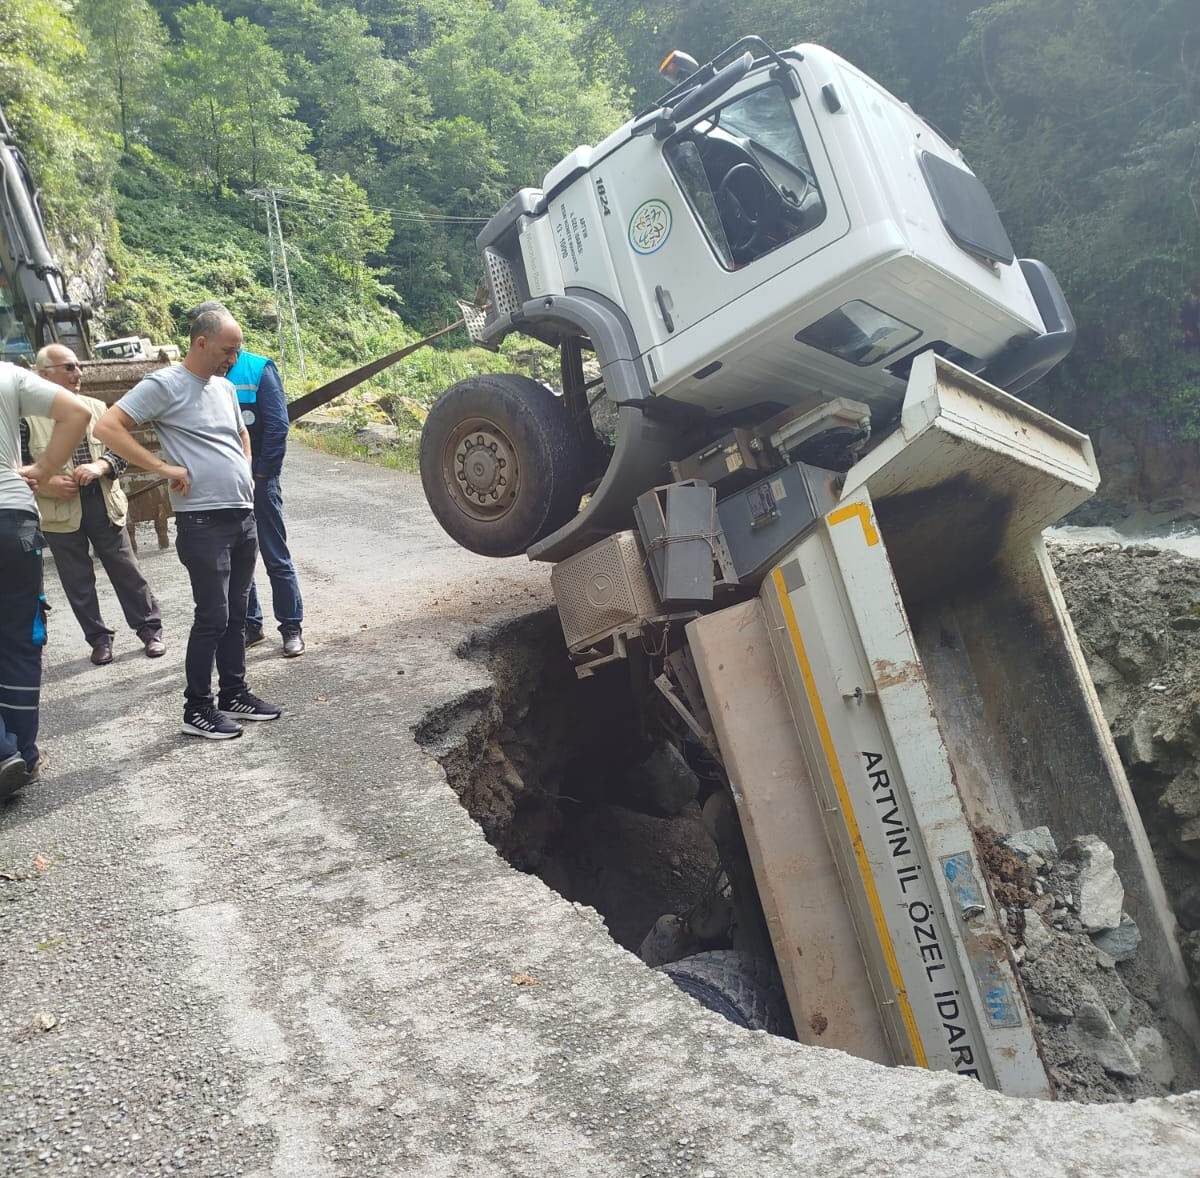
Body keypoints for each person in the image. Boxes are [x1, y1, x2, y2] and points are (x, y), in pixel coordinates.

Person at [94, 309, 281, 740]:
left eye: (235, 351)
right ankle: (197, 707)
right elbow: (109, 426)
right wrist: (162, 467)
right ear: (201, 343)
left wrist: (245, 469)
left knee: (237, 612)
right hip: (202, 520)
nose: (233, 359)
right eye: (227, 350)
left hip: (240, 513)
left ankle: (233, 692)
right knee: (213, 616)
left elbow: (242, 435)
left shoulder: (225, 388)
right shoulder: (165, 384)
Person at [21, 344, 164, 666]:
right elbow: (15, 465)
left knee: (127, 571)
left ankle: (149, 631)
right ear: (44, 375)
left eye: (77, 367)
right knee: (77, 580)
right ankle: (99, 640)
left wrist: (102, 466)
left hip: (102, 500)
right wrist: (47, 483)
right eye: (68, 368)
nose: (78, 373)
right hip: (58, 509)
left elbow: (121, 452)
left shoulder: (98, 408)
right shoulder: (26, 419)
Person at [186, 301, 304, 657]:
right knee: (239, 562)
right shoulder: (195, 377)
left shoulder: (257, 368)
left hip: (259, 484)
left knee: (274, 555)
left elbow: (278, 426)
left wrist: (263, 474)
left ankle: (291, 626)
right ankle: (252, 625)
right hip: (221, 491)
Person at [0, 360, 90, 796]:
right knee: (20, 636)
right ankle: (24, 755)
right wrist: (43, 467)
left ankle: (4, 754)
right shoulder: (6, 373)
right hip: (12, 516)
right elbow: (78, 413)